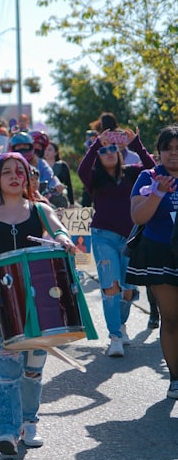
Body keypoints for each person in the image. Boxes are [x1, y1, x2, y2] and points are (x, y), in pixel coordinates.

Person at [0, 152, 77, 456]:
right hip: (0, 295)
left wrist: (64, 240)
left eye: (20, 171)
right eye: (7, 171)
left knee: (34, 366)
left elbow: (59, 230)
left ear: (27, 177)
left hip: (38, 294)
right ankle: (8, 430)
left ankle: (30, 421)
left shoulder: (40, 209)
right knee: (8, 365)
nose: (14, 176)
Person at [78, 128, 154, 357]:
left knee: (128, 289)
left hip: (131, 237)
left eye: (113, 148)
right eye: (104, 150)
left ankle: (121, 325)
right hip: (103, 237)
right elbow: (82, 168)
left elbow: (152, 168)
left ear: (120, 151)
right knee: (111, 286)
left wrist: (136, 143)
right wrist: (96, 144)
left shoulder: (132, 174)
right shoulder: (94, 178)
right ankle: (115, 337)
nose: (109, 152)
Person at [127, 125, 178, 399]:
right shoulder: (148, 176)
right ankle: (175, 377)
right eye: (168, 148)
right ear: (158, 152)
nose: (173, 154)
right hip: (160, 253)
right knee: (171, 319)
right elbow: (138, 217)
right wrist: (157, 193)